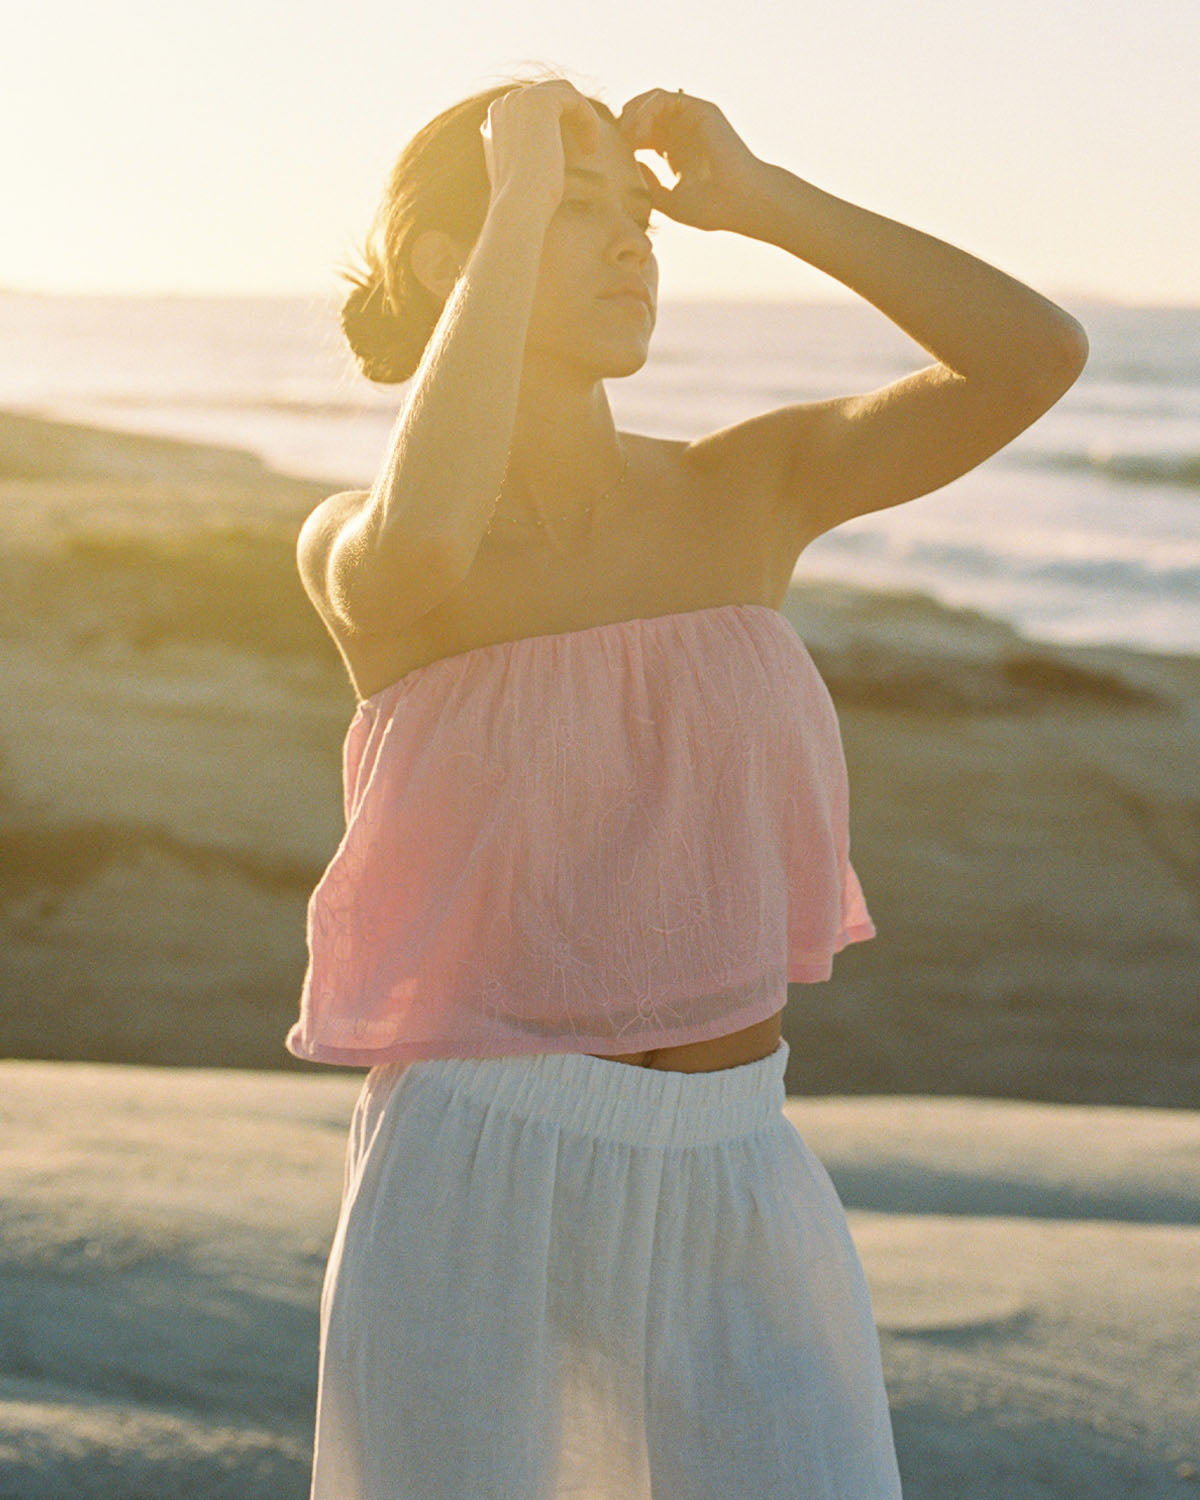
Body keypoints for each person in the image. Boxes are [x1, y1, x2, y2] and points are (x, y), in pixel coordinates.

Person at [289, 68, 1087, 1499]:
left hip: (736, 1169)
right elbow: (422, 542)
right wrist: (519, 191)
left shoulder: (749, 488)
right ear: (443, 260)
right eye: (573, 214)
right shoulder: (362, 544)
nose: (631, 247)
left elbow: (1033, 357)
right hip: (476, 1174)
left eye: (634, 223)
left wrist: (764, 201)